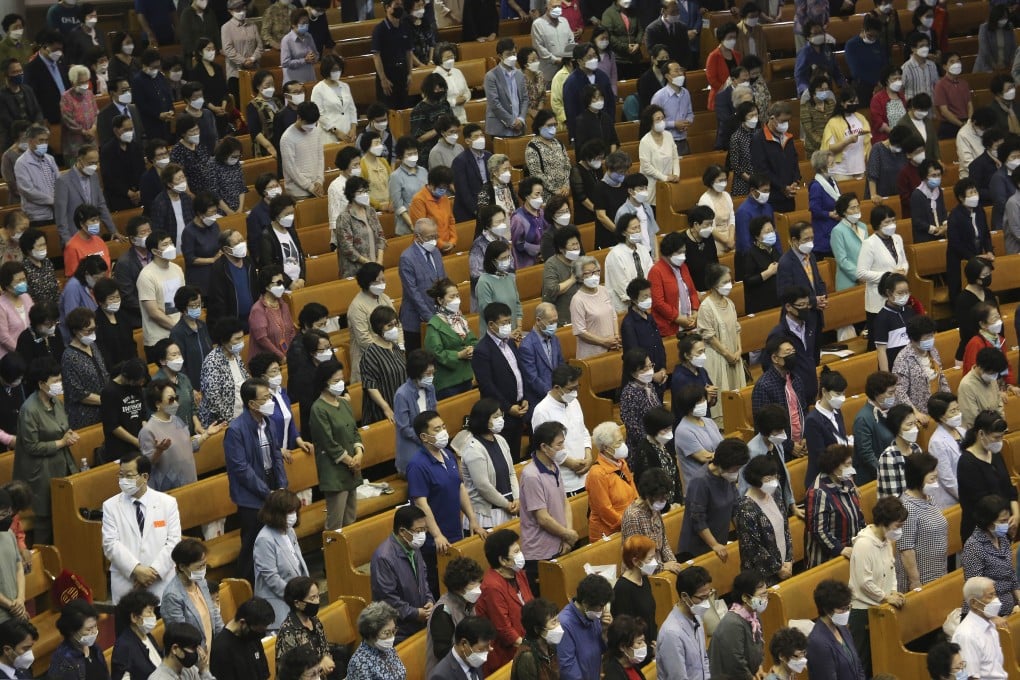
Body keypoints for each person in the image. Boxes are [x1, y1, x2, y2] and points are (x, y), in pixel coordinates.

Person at [224, 378, 289, 582]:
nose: (270, 401)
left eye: (270, 396)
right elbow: (241, 469)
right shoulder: (235, 430)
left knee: (275, 540)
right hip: (251, 496)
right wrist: (266, 493)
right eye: (265, 398)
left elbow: (276, 454)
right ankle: (244, 588)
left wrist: (281, 486)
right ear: (251, 404)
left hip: (270, 485)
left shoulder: (267, 422)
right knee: (252, 544)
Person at [11, 357, 77, 544]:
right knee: (45, 521)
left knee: (64, 514)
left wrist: (68, 436)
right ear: (41, 384)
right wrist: (61, 443)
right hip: (40, 472)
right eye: (55, 381)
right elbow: (31, 446)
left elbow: (61, 428)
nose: (59, 384)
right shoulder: (29, 409)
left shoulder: (56, 402)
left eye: (60, 379)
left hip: (60, 464)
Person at [848, 495, 907, 675]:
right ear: (884, 522)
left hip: (882, 607)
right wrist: (885, 597)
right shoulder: (864, 544)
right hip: (863, 611)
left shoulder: (887, 541)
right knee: (864, 663)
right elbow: (864, 581)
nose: (900, 530)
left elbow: (891, 570)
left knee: (883, 660)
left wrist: (894, 592)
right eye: (897, 525)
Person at [519, 422, 578, 594]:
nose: (563, 448)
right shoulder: (531, 475)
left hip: (560, 543)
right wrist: (567, 534)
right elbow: (542, 518)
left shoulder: (554, 465)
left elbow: (564, 501)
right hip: (540, 552)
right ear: (544, 447)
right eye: (559, 444)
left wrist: (567, 534)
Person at [369, 504, 434, 644]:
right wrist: (415, 613)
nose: (422, 535)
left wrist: (429, 600)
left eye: (424, 530)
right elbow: (387, 599)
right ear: (403, 531)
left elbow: (423, 579)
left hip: (419, 622)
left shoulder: (413, 546)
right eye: (418, 530)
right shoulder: (383, 558)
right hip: (398, 631)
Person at [471, 529, 532, 674]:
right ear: (503, 560)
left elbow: (531, 605)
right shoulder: (492, 586)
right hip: (504, 654)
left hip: (525, 642)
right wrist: (530, 647)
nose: (520, 555)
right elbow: (503, 629)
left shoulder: (519, 574)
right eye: (516, 552)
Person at [678, 438, 750, 560]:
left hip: (720, 539)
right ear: (725, 464)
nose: (737, 472)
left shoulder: (727, 477)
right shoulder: (700, 481)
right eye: (736, 468)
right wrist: (714, 544)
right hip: (697, 549)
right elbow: (698, 519)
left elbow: (735, 507)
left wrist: (744, 534)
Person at [531, 364, 593, 499]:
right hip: (564, 481)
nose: (575, 392)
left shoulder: (574, 402)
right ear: (557, 388)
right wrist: (571, 463)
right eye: (571, 389)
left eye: (577, 387)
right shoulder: (542, 411)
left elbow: (583, 430)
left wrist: (588, 456)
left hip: (586, 475)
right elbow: (545, 448)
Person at [958, 410, 1017, 545]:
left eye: (1002, 437)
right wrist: (1004, 524)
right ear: (981, 434)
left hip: (1003, 524)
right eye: (996, 437)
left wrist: (1016, 514)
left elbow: (1009, 487)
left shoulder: (995, 454)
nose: (999, 442)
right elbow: (981, 504)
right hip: (982, 530)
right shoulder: (967, 463)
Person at [459, 399, 519, 530]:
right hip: (487, 516)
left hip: (508, 509)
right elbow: (483, 486)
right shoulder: (473, 449)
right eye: (495, 416)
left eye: (500, 415)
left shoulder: (500, 440)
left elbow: (511, 472)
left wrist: (516, 499)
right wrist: (506, 504)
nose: (500, 419)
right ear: (483, 419)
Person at [253, 490, 309, 630]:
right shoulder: (264, 539)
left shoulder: (289, 531)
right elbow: (272, 578)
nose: (293, 516)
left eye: (295, 511)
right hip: (278, 606)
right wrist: (295, 598)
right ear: (277, 513)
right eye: (289, 512)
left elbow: (298, 562)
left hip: (297, 600)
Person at [736, 455, 793, 585]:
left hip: (785, 563)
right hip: (762, 574)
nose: (773, 481)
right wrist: (778, 568)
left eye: (775, 477)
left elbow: (785, 527)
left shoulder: (776, 493)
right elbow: (753, 547)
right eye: (768, 478)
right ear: (756, 479)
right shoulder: (746, 507)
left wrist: (789, 559)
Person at [806, 444, 865, 568]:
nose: (851, 469)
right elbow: (819, 530)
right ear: (833, 466)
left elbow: (858, 514)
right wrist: (840, 549)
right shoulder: (818, 492)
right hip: (828, 559)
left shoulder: (847, 482)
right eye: (847, 465)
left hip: (852, 550)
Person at [896, 452, 948, 591]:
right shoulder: (908, 507)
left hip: (939, 569)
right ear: (918, 477)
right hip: (921, 577)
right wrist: (915, 581)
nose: (935, 479)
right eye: (932, 477)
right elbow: (906, 548)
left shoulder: (929, 498)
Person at [857, 206, 909, 343]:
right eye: (887, 222)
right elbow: (861, 273)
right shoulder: (869, 244)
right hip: (878, 299)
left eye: (893, 220)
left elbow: (903, 261)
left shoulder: (897, 238)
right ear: (877, 224)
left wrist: (903, 270)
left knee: (898, 338)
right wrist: (889, 275)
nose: (891, 225)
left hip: (897, 297)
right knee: (880, 340)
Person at [425, 557, 484, 675]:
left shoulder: (468, 602)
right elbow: (442, 652)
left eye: (479, 581)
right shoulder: (443, 611)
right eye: (473, 583)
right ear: (458, 587)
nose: (478, 587)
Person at [161, 539, 224, 646]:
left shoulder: (201, 582)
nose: (203, 570)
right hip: (193, 655)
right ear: (182, 567)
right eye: (199, 567)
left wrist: (224, 639)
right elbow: (181, 637)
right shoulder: (172, 596)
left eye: (204, 565)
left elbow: (214, 614)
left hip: (212, 650)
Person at [585, 421, 638, 543]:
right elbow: (604, 510)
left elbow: (633, 489)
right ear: (606, 448)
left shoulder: (621, 463)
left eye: (622, 441)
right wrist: (628, 523)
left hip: (629, 523)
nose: (623, 445)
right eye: (619, 442)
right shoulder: (597, 474)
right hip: (608, 532)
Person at [423, 277, 476, 399]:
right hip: (448, 384)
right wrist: (458, 355)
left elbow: (473, 340)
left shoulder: (460, 320)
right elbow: (435, 353)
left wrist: (472, 349)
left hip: (466, 376)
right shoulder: (434, 324)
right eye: (452, 297)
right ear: (440, 300)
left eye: (457, 296)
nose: (456, 300)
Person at [399, 218, 448, 351]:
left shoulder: (436, 252)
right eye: (430, 237)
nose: (434, 240)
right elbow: (413, 293)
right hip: (415, 321)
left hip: (438, 315)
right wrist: (431, 318)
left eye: (435, 236)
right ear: (417, 237)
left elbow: (444, 280)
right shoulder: (407, 258)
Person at [622, 466, 682, 573]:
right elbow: (637, 557)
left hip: (660, 567)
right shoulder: (633, 516)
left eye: (665, 497)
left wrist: (673, 562)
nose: (663, 501)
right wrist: (663, 566)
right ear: (647, 495)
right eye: (660, 497)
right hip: (641, 573)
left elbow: (663, 541)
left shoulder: (654, 508)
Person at [657, 565, 712, 680]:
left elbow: (704, 659)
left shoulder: (697, 617)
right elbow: (678, 677)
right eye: (702, 598)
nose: (706, 602)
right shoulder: (671, 634)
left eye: (708, 596)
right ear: (684, 596)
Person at [806, 579, 867, 680]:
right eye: (842, 609)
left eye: (848, 608)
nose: (846, 612)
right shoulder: (817, 642)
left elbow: (858, 666)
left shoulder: (843, 629)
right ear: (826, 609)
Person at [697, 263, 744, 394]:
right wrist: (727, 355)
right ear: (714, 284)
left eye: (730, 281)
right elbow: (710, 337)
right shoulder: (706, 307)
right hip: (718, 358)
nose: (729, 285)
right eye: (725, 282)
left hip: (734, 355)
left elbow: (736, 329)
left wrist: (739, 350)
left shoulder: (730, 303)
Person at [61, 306, 109, 429]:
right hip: (85, 416)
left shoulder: (93, 346)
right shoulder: (69, 357)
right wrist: (107, 400)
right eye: (88, 330)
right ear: (76, 331)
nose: (92, 334)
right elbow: (77, 393)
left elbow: (104, 372)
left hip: (105, 409)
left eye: (94, 329)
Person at [557, 574, 611, 680]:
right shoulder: (564, 624)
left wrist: (605, 631)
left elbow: (603, 650)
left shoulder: (592, 614)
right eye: (600, 606)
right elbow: (568, 668)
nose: (603, 610)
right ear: (585, 603)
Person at [953, 576, 1009, 679]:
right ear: (974, 603)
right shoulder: (967, 635)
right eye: (990, 596)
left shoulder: (990, 624)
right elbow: (970, 677)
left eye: (995, 594)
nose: (996, 600)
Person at [751, 102, 802, 213]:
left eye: (788, 120)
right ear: (772, 118)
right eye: (783, 121)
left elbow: (794, 160)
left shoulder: (788, 137)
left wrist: (795, 181)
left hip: (789, 195)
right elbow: (761, 169)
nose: (787, 124)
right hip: (771, 196)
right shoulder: (758, 139)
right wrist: (782, 187)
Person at [209, 597, 274, 680]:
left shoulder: (252, 636)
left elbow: (264, 672)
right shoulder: (221, 649)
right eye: (258, 631)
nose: (261, 634)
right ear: (242, 622)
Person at [570, 256, 619, 360]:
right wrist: (604, 342)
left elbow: (613, 316)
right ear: (580, 276)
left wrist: (616, 336)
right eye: (589, 273)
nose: (594, 276)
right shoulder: (577, 300)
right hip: (592, 353)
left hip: (612, 347)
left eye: (596, 271)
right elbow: (580, 331)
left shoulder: (604, 290)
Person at [48, 599, 108, 680]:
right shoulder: (63, 661)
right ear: (71, 630)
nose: (94, 632)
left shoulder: (95, 649)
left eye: (95, 626)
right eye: (89, 629)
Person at [111, 589, 162, 680]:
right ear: (134, 617)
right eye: (149, 612)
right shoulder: (124, 646)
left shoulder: (147, 636)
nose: (154, 616)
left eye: (153, 612)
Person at [13, 125, 58, 227]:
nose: (44, 144)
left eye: (46, 141)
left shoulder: (50, 159)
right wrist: (52, 201)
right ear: (30, 141)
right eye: (40, 140)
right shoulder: (21, 163)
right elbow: (27, 190)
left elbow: (59, 181)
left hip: (56, 211)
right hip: (37, 216)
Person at [347, 602, 406, 680]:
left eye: (393, 631)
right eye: (387, 633)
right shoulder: (359, 663)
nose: (392, 637)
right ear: (371, 633)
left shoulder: (388, 649)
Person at [168, 287, 212, 390]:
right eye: (193, 305)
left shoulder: (202, 325)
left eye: (199, 304)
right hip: (192, 387)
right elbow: (179, 366)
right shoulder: (177, 332)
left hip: (210, 383)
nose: (198, 308)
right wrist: (189, 388)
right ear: (183, 308)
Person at [483, 40, 528, 139]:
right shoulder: (491, 76)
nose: (512, 57)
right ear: (500, 56)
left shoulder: (519, 74)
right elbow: (494, 103)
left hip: (519, 127)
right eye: (508, 54)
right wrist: (511, 121)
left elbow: (525, 98)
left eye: (514, 53)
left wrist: (521, 119)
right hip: (500, 128)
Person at [926, 392, 963, 509]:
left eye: (958, 409)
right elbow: (948, 479)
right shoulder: (937, 442)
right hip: (952, 499)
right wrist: (967, 497)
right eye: (953, 411)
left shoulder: (963, 431)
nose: (958, 414)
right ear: (941, 417)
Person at [281, 103, 325, 199]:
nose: (311, 127)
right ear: (299, 117)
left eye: (314, 123)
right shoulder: (287, 138)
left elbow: (320, 158)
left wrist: (319, 180)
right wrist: (309, 186)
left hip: (316, 187)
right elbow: (291, 169)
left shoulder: (316, 130)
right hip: (298, 192)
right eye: (308, 123)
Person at [476, 242, 522, 333]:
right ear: (493, 261)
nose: (507, 260)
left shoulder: (509, 277)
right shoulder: (484, 282)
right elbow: (489, 314)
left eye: (508, 257)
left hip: (513, 332)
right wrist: (507, 334)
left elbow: (517, 304)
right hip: (494, 335)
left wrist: (519, 327)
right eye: (503, 258)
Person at [511, 598, 561, 680]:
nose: (558, 625)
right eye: (554, 622)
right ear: (537, 629)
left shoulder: (550, 645)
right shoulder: (527, 657)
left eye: (558, 620)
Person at [958, 348, 1007, 430]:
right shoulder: (967, 385)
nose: (994, 376)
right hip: (980, 434)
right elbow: (972, 420)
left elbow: (999, 405)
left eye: (996, 373)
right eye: (992, 373)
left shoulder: (991, 378)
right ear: (980, 367)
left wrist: (1001, 427)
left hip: (995, 431)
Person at [541, 225, 582, 325]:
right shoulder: (552, 264)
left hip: (581, 313)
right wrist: (572, 280)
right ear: (561, 249)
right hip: (562, 317)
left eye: (577, 244)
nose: (576, 247)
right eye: (572, 245)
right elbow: (552, 290)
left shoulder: (581, 261)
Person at [18, 230, 58, 309]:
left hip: (55, 308)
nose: (43, 248)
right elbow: (25, 296)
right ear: (28, 249)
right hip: (37, 312)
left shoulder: (47, 262)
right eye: (39, 245)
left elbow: (55, 289)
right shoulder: (23, 268)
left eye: (44, 244)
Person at [976, 6, 1015, 73]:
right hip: (986, 66)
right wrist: (994, 65)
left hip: (1005, 66)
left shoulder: (1009, 26)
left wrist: (1012, 62)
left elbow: (1013, 46)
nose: (1004, 20)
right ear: (995, 17)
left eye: (1006, 17)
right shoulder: (984, 28)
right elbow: (984, 50)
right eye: (1002, 17)